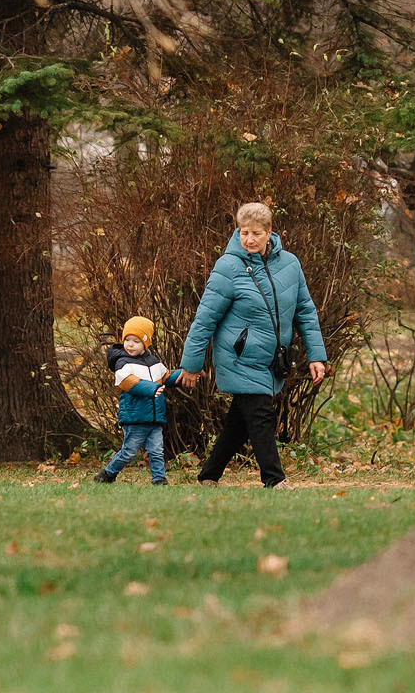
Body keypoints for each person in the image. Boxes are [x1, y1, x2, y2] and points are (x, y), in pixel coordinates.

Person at [179, 202, 328, 487]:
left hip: (271, 360)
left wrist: (316, 356)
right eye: (243, 232)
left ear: (270, 232)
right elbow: (205, 319)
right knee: (261, 415)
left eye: (256, 233)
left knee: (239, 421)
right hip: (239, 357)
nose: (249, 239)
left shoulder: (290, 264)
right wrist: (191, 364)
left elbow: (305, 312)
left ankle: (209, 476)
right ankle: (275, 479)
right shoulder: (228, 266)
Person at [95, 316, 183, 484]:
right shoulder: (122, 362)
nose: (130, 344)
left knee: (157, 451)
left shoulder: (154, 362)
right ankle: (107, 474)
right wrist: (152, 388)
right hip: (135, 417)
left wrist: (184, 374)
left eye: (135, 341)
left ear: (145, 343)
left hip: (155, 417)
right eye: (127, 340)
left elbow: (167, 377)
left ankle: (159, 479)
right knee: (129, 451)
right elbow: (129, 383)